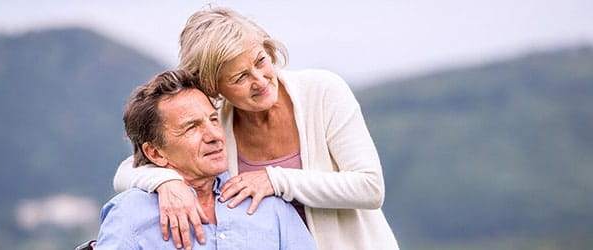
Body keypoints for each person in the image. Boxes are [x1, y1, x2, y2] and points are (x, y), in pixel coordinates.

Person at [112, 6, 398, 249]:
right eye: (240, 77)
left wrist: (275, 180)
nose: (260, 80)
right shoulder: (216, 121)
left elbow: (370, 188)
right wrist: (166, 182)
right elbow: (130, 169)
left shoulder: (322, 91)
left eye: (261, 61)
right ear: (214, 86)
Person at [98, 70, 315, 249]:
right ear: (155, 153)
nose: (214, 136)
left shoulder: (270, 207)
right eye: (192, 127)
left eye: (213, 120)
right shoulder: (130, 214)